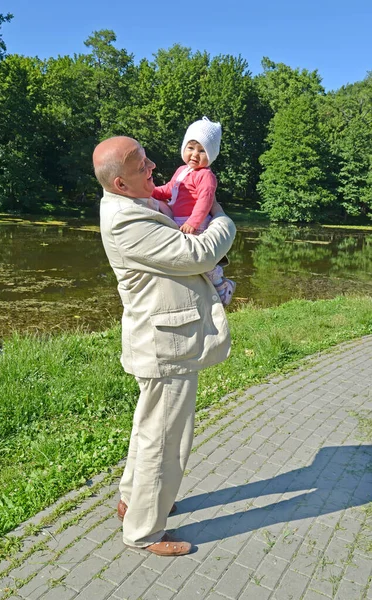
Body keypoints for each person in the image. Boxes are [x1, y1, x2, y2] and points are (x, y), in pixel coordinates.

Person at [93, 136, 236, 556]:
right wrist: (222, 217)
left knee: (149, 429)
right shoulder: (126, 220)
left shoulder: (135, 204)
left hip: (161, 339)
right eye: (142, 165)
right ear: (120, 183)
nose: (154, 165)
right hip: (165, 344)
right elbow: (200, 252)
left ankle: (133, 501)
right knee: (166, 439)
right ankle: (144, 531)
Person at [152, 116, 236, 306]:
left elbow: (205, 201)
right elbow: (168, 189)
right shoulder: (181, 170)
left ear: (211, 154)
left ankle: (222, 286)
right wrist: (151, 191)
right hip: (179, 220)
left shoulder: (206, 175)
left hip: (195, 223)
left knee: (202, 259)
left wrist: (194, 222)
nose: (195, 155)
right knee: (184, 257)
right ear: (183, 148)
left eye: (202, 151)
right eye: (190, 148)